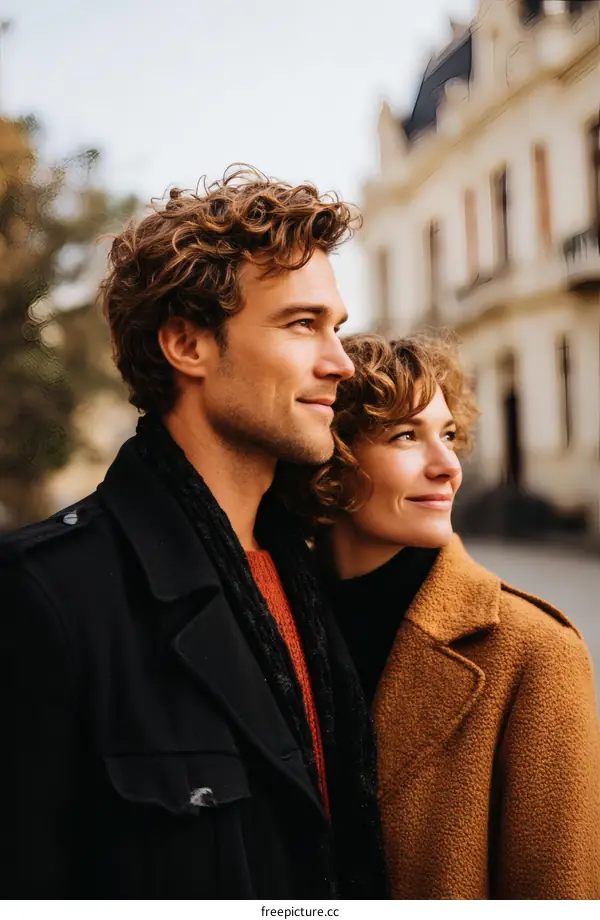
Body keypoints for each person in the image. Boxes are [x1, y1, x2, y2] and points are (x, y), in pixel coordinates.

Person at [0, 169, 388, 898]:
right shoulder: (45, 596)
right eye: (302, 324)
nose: (341, 361)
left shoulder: (319, 573)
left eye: (336, 326)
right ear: (187, 345)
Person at [299, 332, 600, 900]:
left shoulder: (534, 650)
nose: (448, 467)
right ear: (329, 460)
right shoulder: (266, 623)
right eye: (406, 436)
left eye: (450, 435)